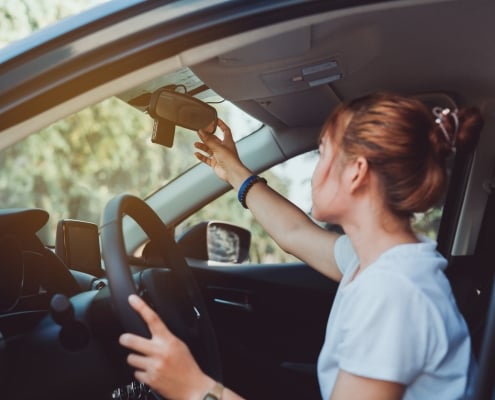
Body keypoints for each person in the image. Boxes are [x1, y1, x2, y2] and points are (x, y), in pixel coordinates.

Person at [119, 92, 484, 400]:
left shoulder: (394, 293)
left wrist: (197, 389)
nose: (316, 169)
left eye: (322, 153)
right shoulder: (377, 261)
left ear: (356, 172)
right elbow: (294, 233)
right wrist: (232, 169)